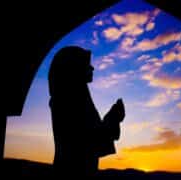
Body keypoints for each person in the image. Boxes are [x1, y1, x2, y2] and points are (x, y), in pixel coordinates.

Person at [48, 46, 125, 178]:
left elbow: (91, 137)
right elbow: (88, 142)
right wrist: (113, 118)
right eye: (87, 64)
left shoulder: (74, 96)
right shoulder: (70, 100)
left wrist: (112, 118)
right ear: (73, 68)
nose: (92, 68)